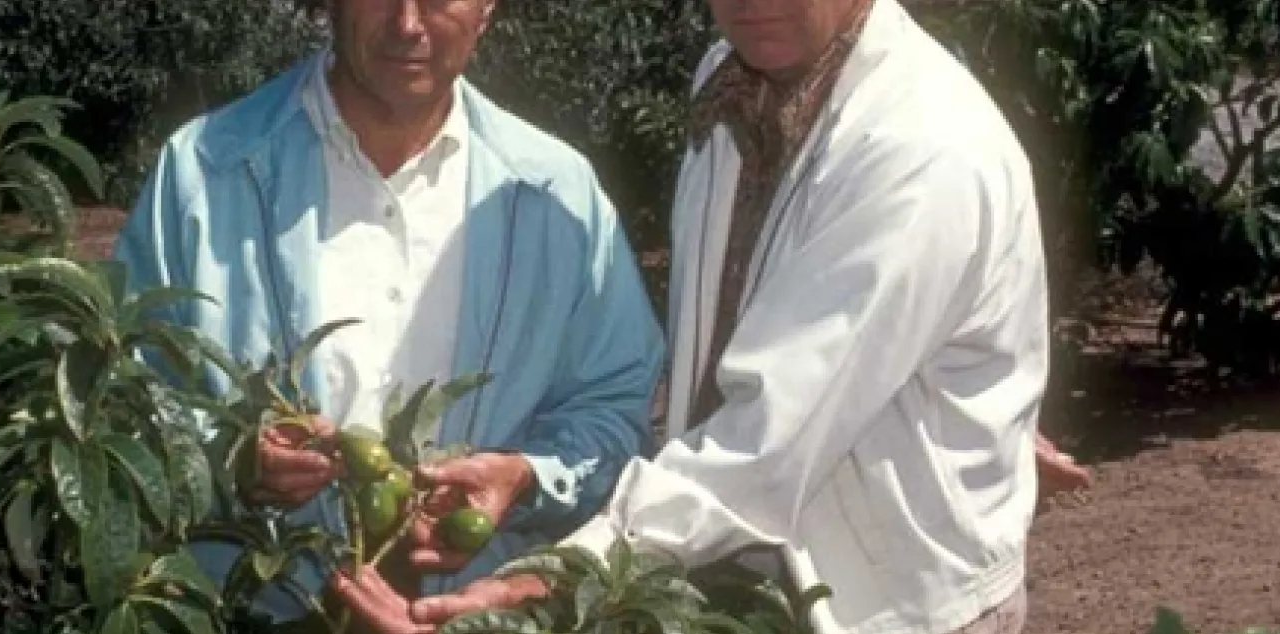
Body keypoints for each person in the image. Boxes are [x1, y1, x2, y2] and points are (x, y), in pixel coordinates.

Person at [337, 0, 1054, 632]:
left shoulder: (917, 150)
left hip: (887, 608)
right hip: (746, 570)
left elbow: (767, 439)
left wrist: (558, 574)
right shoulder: (734, 75)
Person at [111, 0, 665, 625]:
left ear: (485, 9)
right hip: (247, 608)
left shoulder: (558, 194)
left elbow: (613, 406)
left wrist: (526, 478)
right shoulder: (205, 172)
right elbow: (127, 390)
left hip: (471, 617)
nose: (407, 23)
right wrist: (230, 457)